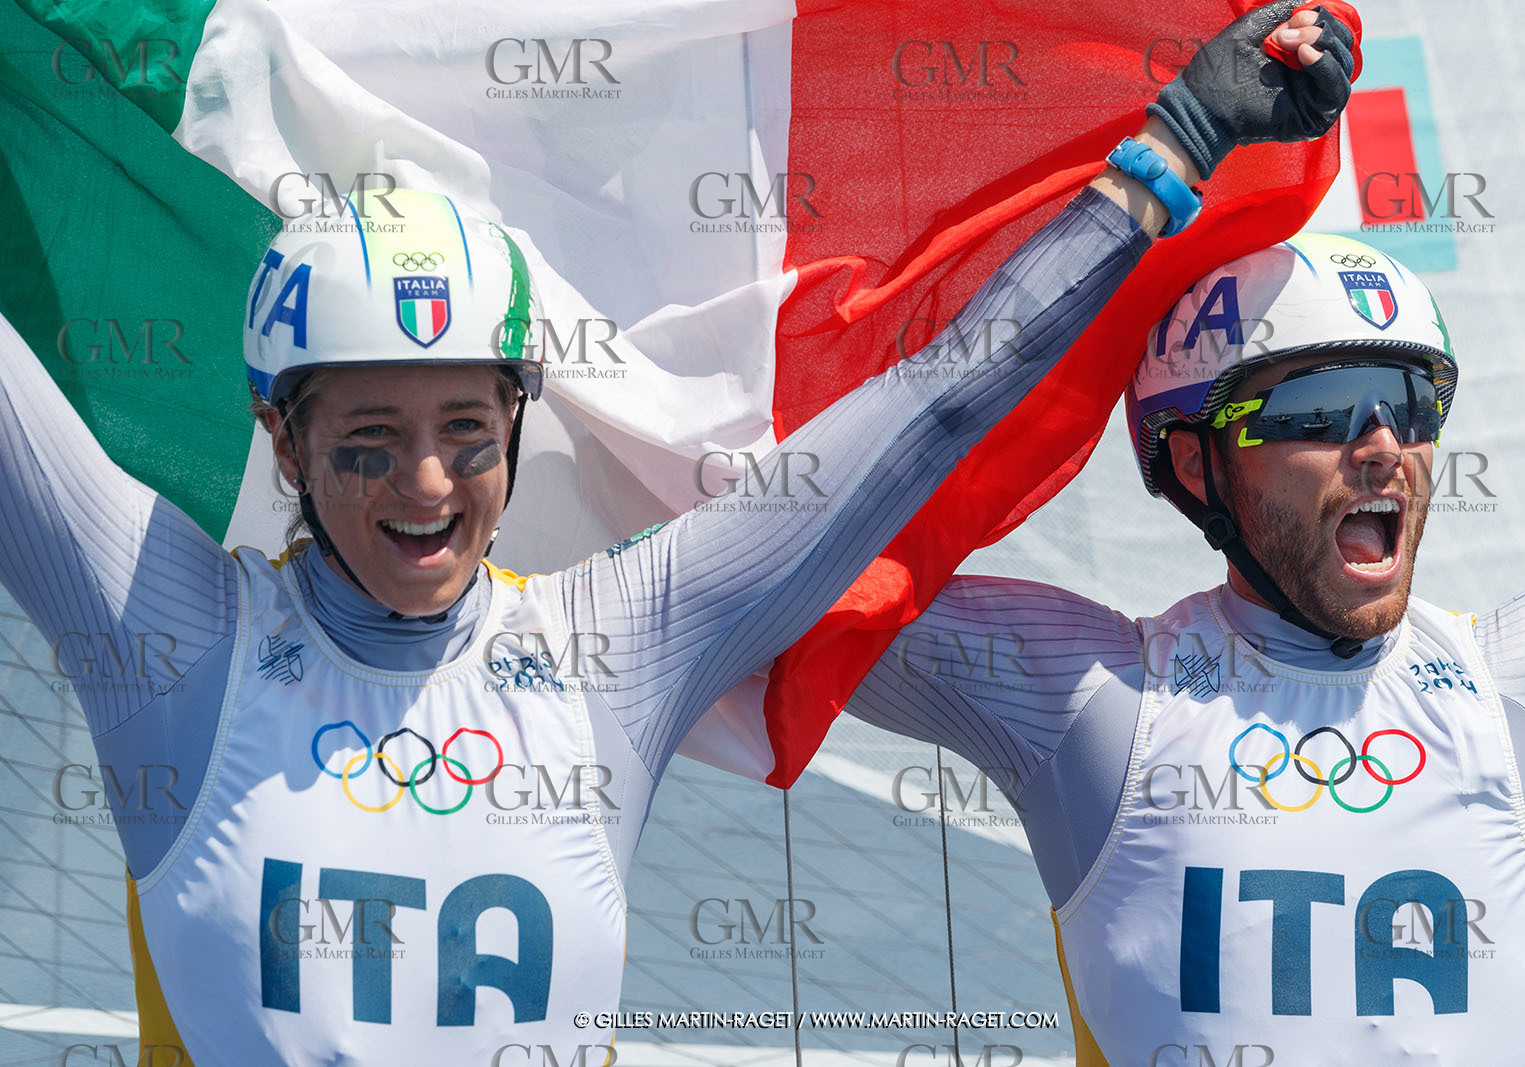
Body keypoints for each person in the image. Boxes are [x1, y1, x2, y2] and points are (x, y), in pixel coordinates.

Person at [0, 5, 1353, 1062]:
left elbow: (933, 407)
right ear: (283, 442)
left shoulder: (608, 651)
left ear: (522, 419)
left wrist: (1171, 147)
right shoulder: (171, 631)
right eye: (365, 440)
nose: (425, 483)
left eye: (468, 428)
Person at [847, 228, 1525, 1063]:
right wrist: (1149, 179)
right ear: (1199, 467)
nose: (1387, 447)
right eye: (1324, 405)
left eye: (1413, 403)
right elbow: (758, 575)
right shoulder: (1090, 696)